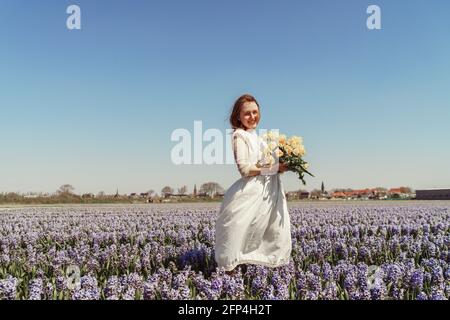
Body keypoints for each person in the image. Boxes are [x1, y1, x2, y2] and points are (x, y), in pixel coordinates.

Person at [214, 94, 292, 275]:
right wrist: (273, 169)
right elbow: (245, 169)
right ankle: (230, 276)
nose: (252, 117)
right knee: (238, 230)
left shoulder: (260, 138)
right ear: (238, 117)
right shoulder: (239, 136)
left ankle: (258, 272)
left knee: (270, 231)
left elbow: (265, 164)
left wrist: (283, 166)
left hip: (270, 192)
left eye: (255, 112)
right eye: (247, 113)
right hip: (252, 191)